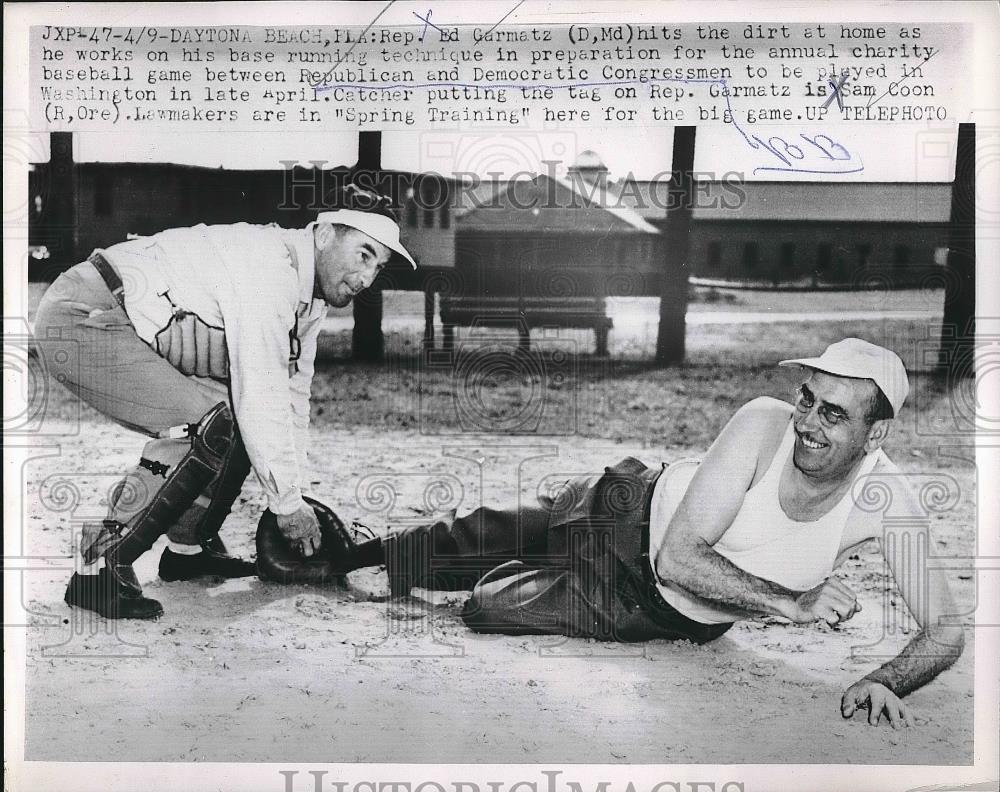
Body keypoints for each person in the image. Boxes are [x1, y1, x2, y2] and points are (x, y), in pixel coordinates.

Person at [325, 338, 964, 728]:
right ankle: (344, 548)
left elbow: (946, 629)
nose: (807, 423)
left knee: (485, 608)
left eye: (833, 414)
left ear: (874, 436)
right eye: (807, 398)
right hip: (622, 505)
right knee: (462, 539)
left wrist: (887, 678)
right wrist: (789, 602)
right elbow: (682, 557)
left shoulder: (887, 501)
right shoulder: (764, 422)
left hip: (645, 607)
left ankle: (514, 577)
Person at [33, 184, 416, 620]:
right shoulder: (271, 268)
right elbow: (262, 393)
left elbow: (292, 401)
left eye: (378, 266)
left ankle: (188, 548)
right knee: (207, 425)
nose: (367, 278)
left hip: (129, 325)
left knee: (234, 423)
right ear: (326, 233)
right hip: (83, 317)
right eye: (363, 254)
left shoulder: (310, 301)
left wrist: (294, 496)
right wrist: (287, 508)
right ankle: (98, 567)